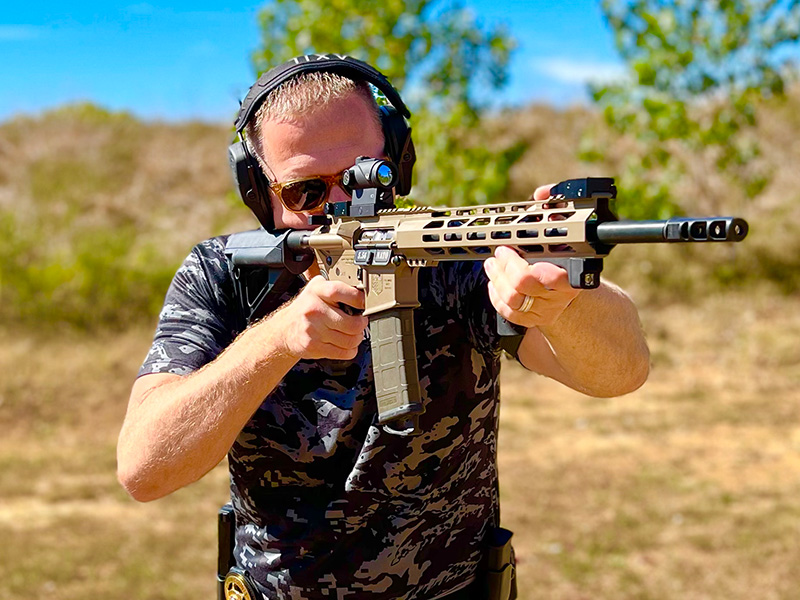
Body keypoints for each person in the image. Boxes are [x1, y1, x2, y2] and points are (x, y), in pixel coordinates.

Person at [117, 55, 650, 600]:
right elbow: (144, 469)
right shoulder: (223, 276)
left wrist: (564, 304)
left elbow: (620, 372)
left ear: (397, 158)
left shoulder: (450, 252)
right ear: (260, 190)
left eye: (362, 176)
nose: (343, 205)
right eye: (307, 192)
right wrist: (275, 340)